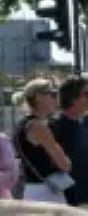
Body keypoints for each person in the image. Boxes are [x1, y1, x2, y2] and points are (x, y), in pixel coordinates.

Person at [14, 78, 74, 203]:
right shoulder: (39, 127)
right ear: (37, 97)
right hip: (46, 193)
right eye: (52, 94)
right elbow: (65, 165)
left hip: (32, 190)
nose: (55, 98)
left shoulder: (22, 123)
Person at [52, 76, 88, 204]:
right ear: (73, 98)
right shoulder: (54, 127)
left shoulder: (85, 123)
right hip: (67, 200)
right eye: (86, 94)